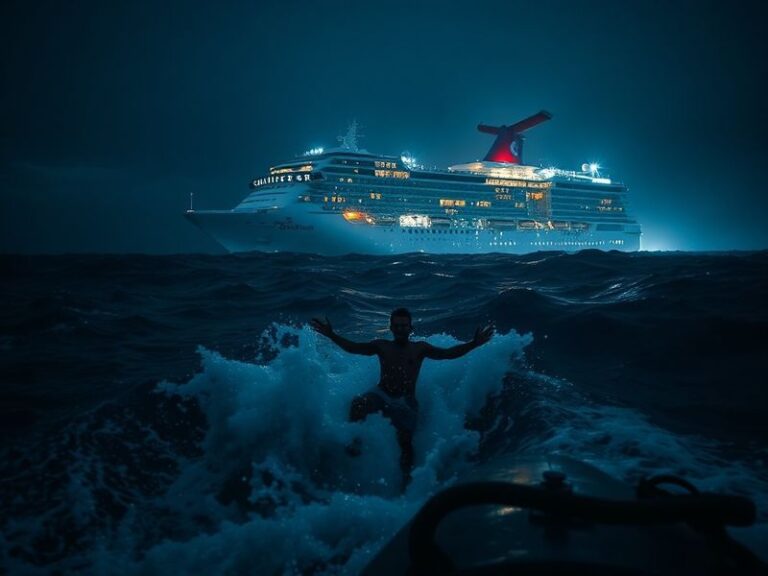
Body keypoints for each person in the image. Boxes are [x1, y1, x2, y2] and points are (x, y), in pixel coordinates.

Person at [310, 308, 494, 490]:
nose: (400, 329)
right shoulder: (381, 346)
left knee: (405, 441)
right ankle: (356, 444)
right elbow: (354, 348)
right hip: (381, 394)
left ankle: (406, 480)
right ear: (390, 327)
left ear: (410, 328)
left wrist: (473, 344)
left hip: (406, 401)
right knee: (358, 404)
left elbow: (447, 354)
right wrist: (331, 335)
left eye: (404, 326)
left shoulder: (420, 348)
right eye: (396, 326)